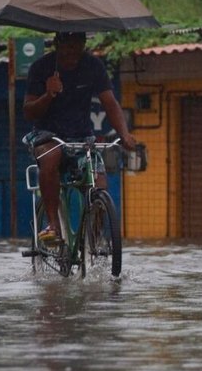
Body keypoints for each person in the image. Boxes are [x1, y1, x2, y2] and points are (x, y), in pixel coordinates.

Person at [23, 31, 136, 244]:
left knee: (100, 184)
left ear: (84, 44)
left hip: (82, 137)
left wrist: (124, 134)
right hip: (48, 135)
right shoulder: (41, 68)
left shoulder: (93, 66)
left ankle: (94, 238)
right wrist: (48, 95)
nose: (72, 51)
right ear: (57, 44)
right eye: (67, 45)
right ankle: (53, 226)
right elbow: (29, 112)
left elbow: (110, 103)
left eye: (78, 45)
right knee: (50, 157)